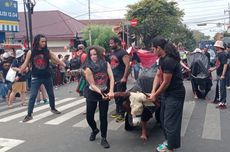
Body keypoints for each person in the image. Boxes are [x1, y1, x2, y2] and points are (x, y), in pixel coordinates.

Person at [149, 36, 185, 152]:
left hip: (175, 94)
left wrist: (155, 95)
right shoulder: (162, 59)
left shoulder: (169, 60)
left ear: (158, 48)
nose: (152, 51)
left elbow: (165, 83)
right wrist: (153, 91)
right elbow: (158, 75)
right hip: (167, 94)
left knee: (170, 122)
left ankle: (170, 147)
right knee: (163, 119)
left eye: (153, 49)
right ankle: (169, 142)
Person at [20, 34, 66, 122]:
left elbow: (57, 60)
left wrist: (66, 66)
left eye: (45, 41)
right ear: (37, 41)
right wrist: (20, 70)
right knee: (33, 95)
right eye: (42, 41)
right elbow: (25, 63)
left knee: (51, 94)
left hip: (47, 76)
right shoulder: (31, 52)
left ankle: (53, 108)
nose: (44, 43)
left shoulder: (47, 51)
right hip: (36, 77)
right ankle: (29, 114)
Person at [83, 45, 114, 149]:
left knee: (103, 116)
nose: (93, 57)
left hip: (104, 90)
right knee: (89, 117)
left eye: (95, 54)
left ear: (99, 54)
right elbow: (92, 84)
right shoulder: (88, 67)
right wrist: (101, 94)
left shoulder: (106, 64)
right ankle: (95, 129)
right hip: (92, 92)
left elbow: (111, 77)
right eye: (91, 55)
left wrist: (111, 91)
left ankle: (104, 138)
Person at [109, 37, 130, 122]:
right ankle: (118, 112)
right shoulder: (112, 52)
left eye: (111, 43)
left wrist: (124, 77)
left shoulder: (123, 53)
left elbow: (127, 65)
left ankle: (122, 114)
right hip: (113, 78)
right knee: (115, 96)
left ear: (117, 43)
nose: (110, 45)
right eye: (109, 43)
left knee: (121, 96)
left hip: (121, 78)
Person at [209, 40, 228, 109]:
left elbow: (225, 64)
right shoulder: (219, 54)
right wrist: (213, 69)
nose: (215, 47)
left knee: (222, 89)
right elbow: (219, 64)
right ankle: (218, 100)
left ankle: (222, 103)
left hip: (221, 74)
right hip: (219, 73)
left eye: (216, 46)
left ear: (219, 47)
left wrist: (223, 74)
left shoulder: (222, 54)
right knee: (219, 88)